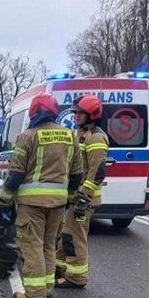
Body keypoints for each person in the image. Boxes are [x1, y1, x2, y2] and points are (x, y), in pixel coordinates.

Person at [0, 93, 82, 298]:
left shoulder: (27, 136)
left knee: (32, 245)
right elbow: (77, 173)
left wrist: (5, 197)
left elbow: (15, 173)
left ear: (33, 112)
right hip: (57, 203)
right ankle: (47, 288)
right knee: (47, 246)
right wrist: (70, 196)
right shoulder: (70, 136)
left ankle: (35, 294)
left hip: (31, 204)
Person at [56, 94, 107, 288]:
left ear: (91, 115)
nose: (75, 116)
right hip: (75, 198)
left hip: (84, 200)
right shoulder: (82, 134)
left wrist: (84, 198)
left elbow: (97, 171)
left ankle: (76, 278)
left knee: (75, 237)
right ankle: (60, 271)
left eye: (80, 113)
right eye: (75, 113)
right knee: (65, 235)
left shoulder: (96, 137)